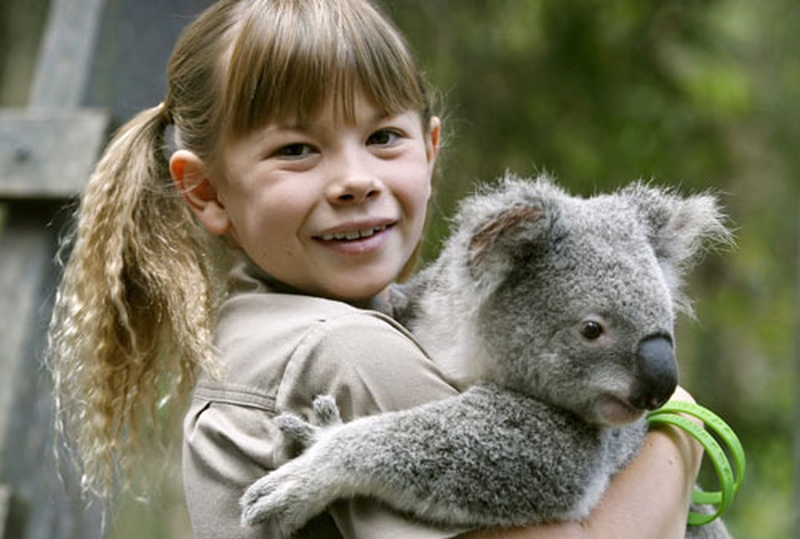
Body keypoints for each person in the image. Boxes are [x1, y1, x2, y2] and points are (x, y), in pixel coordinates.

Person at [46, 0, 703, 538]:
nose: (356, 180)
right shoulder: (350, 353)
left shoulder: (268, 328)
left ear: (430, 149)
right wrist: (689, 430)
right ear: (208, 193)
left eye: (383, 137)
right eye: (298, 149)